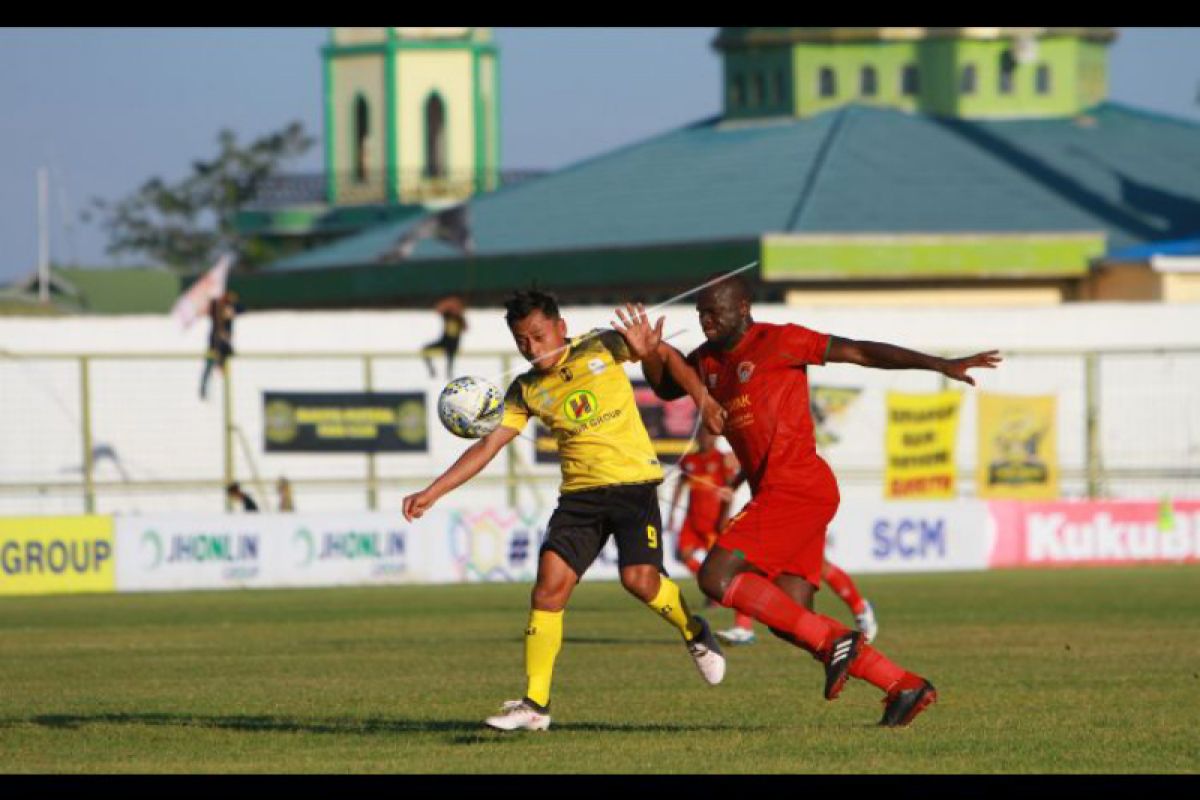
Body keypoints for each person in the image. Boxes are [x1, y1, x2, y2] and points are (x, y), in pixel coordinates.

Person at [614, 275, 1000, 727]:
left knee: (716, 576)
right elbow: (664, 389)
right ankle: (903, 686)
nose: (706, 320)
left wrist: (939, 364)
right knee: (792, 614)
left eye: (714, 311)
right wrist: (651, 355)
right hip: (783, 494)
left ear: (744, 308)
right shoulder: (710, 359)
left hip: (797, 487)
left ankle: (843, 642)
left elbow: (859, 351)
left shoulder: (781, 340)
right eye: (701, 313)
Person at [402, 289, 727, 732]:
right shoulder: (526, 389)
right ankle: (535, 703)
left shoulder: (601, 345)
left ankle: (694, 630)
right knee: (547, 591)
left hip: (633, 488)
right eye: (522, 341)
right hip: (580, 499)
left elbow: (665, 356)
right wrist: (433, 492)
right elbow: (488, 445)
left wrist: (703, 400)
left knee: (639, 581)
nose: (532, 348)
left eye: (538, 336)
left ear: (560, 328)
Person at [715, 469, 879, 647]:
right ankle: (744, 627)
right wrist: (733, 486)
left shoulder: (790, 453)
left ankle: (859, 609)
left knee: (818, 567)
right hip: (774, 507)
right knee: (750, 561)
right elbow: (755, 460)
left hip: (801, 504)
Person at [200, 290, 243, 400]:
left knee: (226, 362)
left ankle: (225, 381)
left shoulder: (229, 316)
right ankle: (204, 390)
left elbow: (240, 310)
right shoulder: (217, 312)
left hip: (223, 346)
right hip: (215, 345)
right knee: (210, 364)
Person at [421, 295, 468, 379]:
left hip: (453, 344)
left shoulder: (459, 318)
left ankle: (449, 374)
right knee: (425, 350)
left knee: (450, 358)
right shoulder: (447, 315)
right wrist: (448, 304)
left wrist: (460, 314)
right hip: (444, 341)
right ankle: (432, 371)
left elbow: (465, 328)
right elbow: (439, 309)